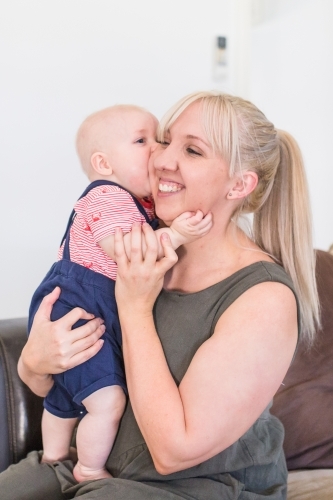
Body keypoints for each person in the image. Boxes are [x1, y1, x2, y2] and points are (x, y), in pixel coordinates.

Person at [0, 91, 320, 500]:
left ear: (240, 184)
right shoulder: (137, 247)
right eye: (166, 141)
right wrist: (35, 362)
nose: (163, 158)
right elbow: (60, 383)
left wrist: (134, 307)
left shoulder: (263, 298)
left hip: (197, 487)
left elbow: (174, 452)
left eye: (192, 150)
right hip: (91, 467)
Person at [26, 104, 213, 483]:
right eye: (143, 141)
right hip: (78, 305)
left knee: (65, 396)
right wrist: (177, 236)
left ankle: (54, 458)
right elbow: (129, 252)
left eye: (158, 140)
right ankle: (88, 468)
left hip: (94, 307)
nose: (157, 152)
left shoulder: (136, 203)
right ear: (104, 163)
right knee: (107, 400)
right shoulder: (106, 196)